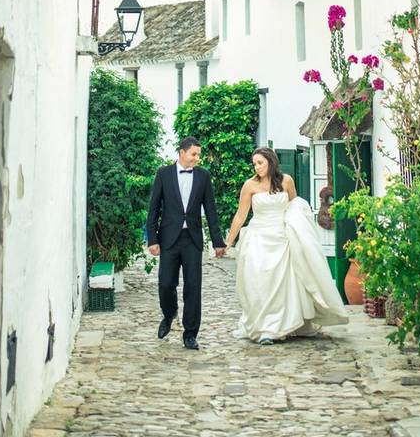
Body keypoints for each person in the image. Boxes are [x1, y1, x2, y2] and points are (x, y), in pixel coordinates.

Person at [224, 147, 348, 344]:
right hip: (258, 237)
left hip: (282, 237)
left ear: (271, 162)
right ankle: (263, 325)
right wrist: (228, 242)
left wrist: (299, 232)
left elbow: (295, 207)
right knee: (259, 281)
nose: (257, 167)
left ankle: (280, 325)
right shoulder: (249, 185)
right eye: (255, 164)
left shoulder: (286, 181)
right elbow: (241, 215)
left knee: (282, 282)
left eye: (260, 163)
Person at [145, 136, 226, 350]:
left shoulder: (203, 176)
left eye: (198, 155)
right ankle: (169, 314)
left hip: (192, 239)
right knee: (165, 284)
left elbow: (210, 210)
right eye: (194, 154)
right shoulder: (163, 174)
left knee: (193, 287)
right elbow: (153, 208)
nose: (197, 158)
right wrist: (152, 239)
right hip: (169, 239)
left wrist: (218, 241)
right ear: (182, 153)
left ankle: (190, 334)